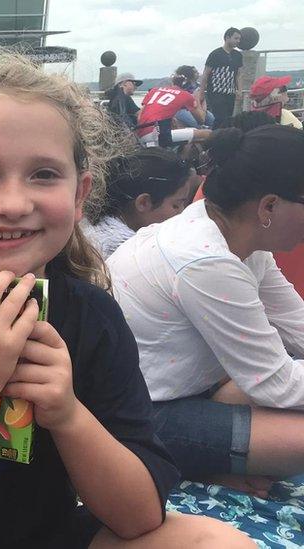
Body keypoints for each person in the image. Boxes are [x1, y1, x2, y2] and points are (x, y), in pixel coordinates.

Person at [0, 48, 252, 549]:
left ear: (80, 197)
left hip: (41, 534)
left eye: (45, 174)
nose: (12, 204)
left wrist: (68, 413)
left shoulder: (92, 317)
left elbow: (139, 517)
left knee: (218, 542)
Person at [108, 125, 304, 498]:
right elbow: (274, 383)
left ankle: (208, 462)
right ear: (269, 206)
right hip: (143, 415)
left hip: (189, 389)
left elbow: (298, 325)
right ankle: (182, 463)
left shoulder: (237, 238)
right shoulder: (205, 261)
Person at [82, 148, 198, 258]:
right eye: (176, 205)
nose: (181, 213)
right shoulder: (131, 253)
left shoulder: (96, 223)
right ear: (143, 203)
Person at [136, 83, 212, 148]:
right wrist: (198, 99)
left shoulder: (154, 90)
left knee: (180, 128)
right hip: (156, 135)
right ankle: (183, 162)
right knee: (208, 134)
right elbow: (201, 120)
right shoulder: (185, 95)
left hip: (140, 133)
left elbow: (139, 115)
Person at [198, 28, 243, 128]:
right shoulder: (215, 54)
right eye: (236, 38)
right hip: (216, 91)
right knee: (220, 118)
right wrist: (201, 93)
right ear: (227, 37)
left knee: (228, 118)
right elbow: (205, 74)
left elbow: (239, 75)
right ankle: (214, 136)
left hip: (230, 92)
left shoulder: (237, 55)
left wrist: (239, 90)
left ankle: (220, 136)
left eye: (239, 39)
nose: (238, 41)